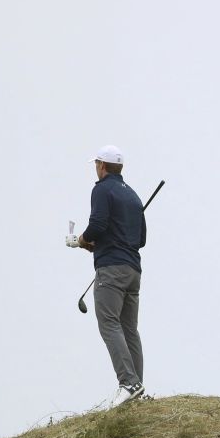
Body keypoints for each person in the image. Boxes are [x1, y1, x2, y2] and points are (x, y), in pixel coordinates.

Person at [76, 145, 147, 407]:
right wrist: (102, 243)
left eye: (96, 164)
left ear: (102, 166)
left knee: (109, 323)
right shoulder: (134, 196)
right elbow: (141, 239)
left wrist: (84, 240)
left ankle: (128, 383)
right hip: (133, 271)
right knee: (130, 330)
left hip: (111, 270)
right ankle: (136, 388)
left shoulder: (102, 189)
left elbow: (97, 225)